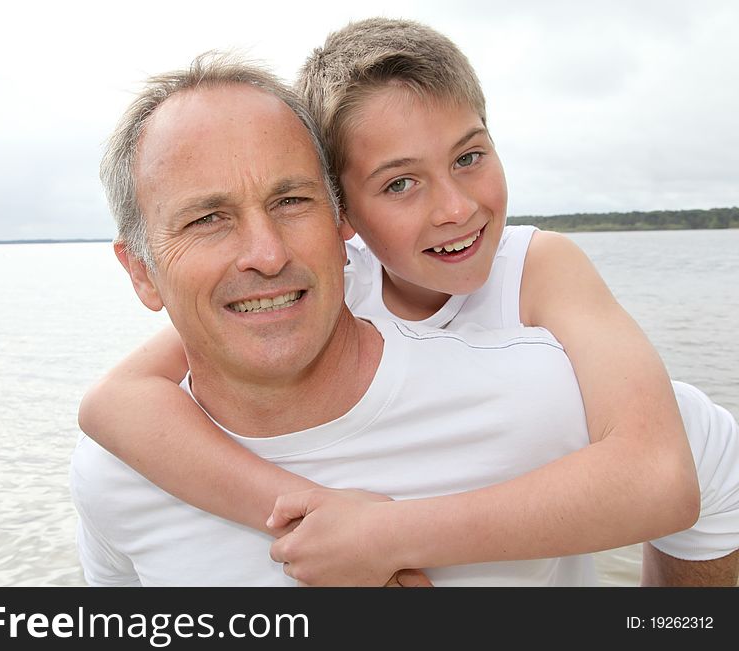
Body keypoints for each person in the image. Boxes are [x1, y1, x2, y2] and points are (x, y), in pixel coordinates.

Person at [78, 20, 737, 585]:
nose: (455, 208)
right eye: (399, 183)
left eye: (470, 156)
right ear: (348, 214)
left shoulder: (538, 287)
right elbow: (113, 402)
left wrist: (390, 536)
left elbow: (669, 465)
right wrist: (318, 517)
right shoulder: (336, 282)